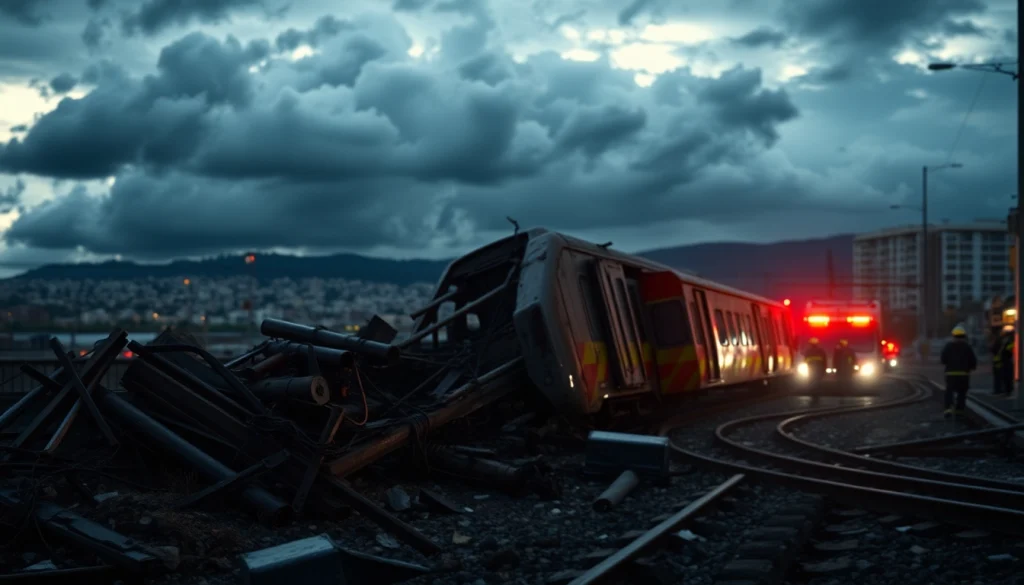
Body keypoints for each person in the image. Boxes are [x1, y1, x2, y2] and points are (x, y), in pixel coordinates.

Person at [940, 325, 977, 417]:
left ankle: (948, 409)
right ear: (964, 336)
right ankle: (959, 411)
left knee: (949, 391)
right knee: (962, 392)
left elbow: (943, 359)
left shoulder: (948, 346)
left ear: (953, 336)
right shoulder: (967, 347)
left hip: (950, 374)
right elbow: (973, 360)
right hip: (963, 375)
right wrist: (971, 367)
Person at [997, 324, 1015, 396]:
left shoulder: (1010, 340)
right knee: (1005, 376)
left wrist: (1005, 351)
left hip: (1008, 360)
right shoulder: (1006, 340)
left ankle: (1008, 390)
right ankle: (1006, 390)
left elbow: (1009, 349)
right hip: (1005, 360)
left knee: (1008, 376)